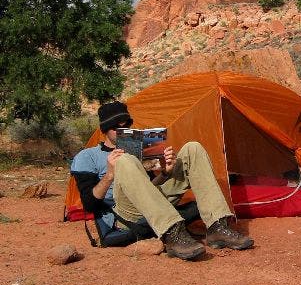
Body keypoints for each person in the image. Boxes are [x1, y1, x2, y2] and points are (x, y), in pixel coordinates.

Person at [70, 101, 254, 260]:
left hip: (154, 204)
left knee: (193, 148)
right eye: (116, 128)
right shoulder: (88, 156)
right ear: (104, 129)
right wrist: (110, 174)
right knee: (125, 160)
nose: (122, 130)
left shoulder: (137, 146)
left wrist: (165, 173)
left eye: (126, 125)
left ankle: (217, 226)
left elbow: (148, 189)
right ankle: (173, 233)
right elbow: (89, 204)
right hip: (124, 212)